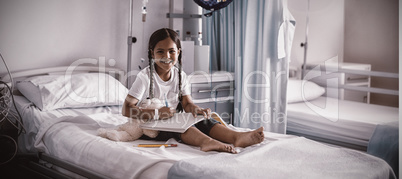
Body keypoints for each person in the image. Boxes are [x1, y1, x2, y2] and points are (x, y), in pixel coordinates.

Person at [122, 28, 264, 154]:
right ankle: (206, 142)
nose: (167, 56)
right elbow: (126, 109)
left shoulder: (180, 76)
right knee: (180, 126)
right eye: (160, 51)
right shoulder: (145, 77)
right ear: (152, 54)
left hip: (172, 119)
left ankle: (236, 137)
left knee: (203, 120)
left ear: (178, 52)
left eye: (171, 51)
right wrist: (158, 113)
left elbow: (187, 104)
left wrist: (196, 109)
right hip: (150, 127)